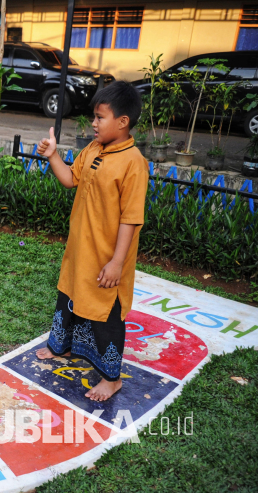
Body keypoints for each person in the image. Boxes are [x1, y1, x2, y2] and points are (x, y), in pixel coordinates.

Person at [35, 81, 147, 402]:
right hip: (80, 251)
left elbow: (131, 218)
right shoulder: (94, 149)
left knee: (105, 315)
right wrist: (53, 155)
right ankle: (62, 347)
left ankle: (111, 379)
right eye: (94, 117)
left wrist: (117, 263)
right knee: (71, 298)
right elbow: (71, 179)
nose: (93, 124)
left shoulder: (133, 163)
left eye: (100, 118)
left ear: (122, 122)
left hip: (107, 258)